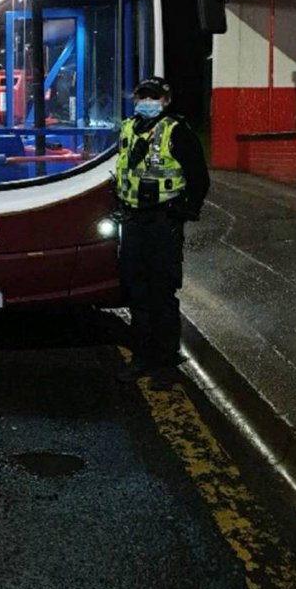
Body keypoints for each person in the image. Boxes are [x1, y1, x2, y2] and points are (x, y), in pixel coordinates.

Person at [113, 76, 209, 389]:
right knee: (136, 292)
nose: (148, 102)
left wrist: (184, 211)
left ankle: (167, 363)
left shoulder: (176, 130)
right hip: (132, 221)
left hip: (162, 223)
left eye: (154, 97)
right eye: (143, 96)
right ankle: (142, 358)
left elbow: (199, 178)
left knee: (162, 293)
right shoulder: (128, 128)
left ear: (166, 101)